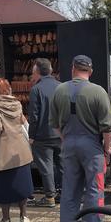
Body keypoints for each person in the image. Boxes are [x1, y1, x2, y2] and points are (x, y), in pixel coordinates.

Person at [50, 55, 111, 222]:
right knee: (94, 190)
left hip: (69, 144)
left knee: (69, 190)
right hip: (92, 147)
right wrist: (106, 150)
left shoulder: (59, 90)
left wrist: (67, 139)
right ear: (90, 71)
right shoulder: (98, 91)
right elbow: (107, 128)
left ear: (73, 69)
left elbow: (54, 125)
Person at [0, 78, 33, 222]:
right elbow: (22, 122)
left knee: (3, 186)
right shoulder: (16, 103)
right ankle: (24, 217)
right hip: (20, 151)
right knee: (22, 185)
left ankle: (6, 220)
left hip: (1, 152)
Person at [28, 58, 62, 207]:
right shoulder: (61, 87)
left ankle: (50, 197)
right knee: (62, 165)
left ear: (37, 72)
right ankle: (64, 193)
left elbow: (34, 116)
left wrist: (31, 136)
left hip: (42, 135)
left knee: (46, 166)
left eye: (33, 72)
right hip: (60, 134)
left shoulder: (36, 89)